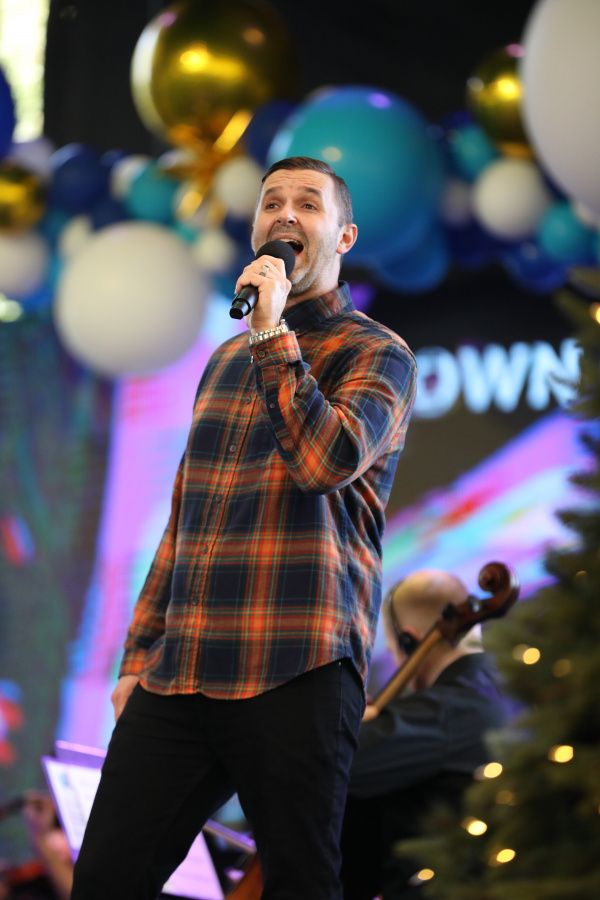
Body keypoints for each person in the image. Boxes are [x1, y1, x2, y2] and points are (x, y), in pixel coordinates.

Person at [70, 156, 417, 900]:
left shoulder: (378, 353)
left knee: (298, 883)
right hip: (184, 667)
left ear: (344, 236)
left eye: (308, 204)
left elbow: (325, 461)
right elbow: (186, 516)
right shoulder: (224, 360)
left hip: (296, 663)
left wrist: (271, 336)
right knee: (103, 879)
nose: (285, 214)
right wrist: (138, 654)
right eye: (272, 202)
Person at [340, 569, 509, 900]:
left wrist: (357, 726)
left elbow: (334, 765)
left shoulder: (449, 710)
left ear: (409, 639)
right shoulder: (508, 689)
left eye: (394, 650)